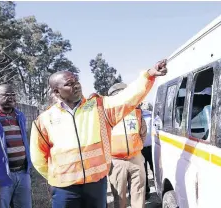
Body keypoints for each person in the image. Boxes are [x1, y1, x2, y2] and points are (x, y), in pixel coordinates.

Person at [30, 59, 167, 208]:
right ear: (56, 91)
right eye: (69, 84)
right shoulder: (44, 120)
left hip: (95, 184)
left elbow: (128, 97)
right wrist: (54, 179)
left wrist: (148, 76)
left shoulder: (99, 107)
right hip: (64, 189)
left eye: (77, 81)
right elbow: (38, 158)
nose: (76, 86)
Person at [107, 83, 148, 208]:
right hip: (116, 162)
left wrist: (136, 148)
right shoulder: (107, 114)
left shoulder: (137, 112)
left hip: (136, 159)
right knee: (119, 198)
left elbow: (143, 133)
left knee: (139, 195)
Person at [140, 104, 154, 200]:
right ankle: (146, 192)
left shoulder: (149, 115)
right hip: (140, 149)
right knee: (143, 172)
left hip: (152, 147)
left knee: (155, 168)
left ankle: (159, 187)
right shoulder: (132, 116)